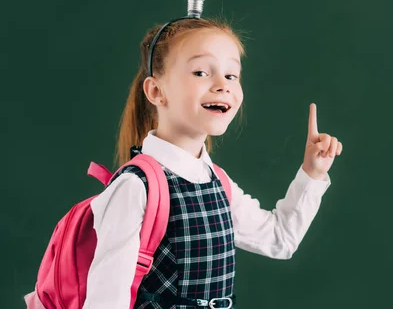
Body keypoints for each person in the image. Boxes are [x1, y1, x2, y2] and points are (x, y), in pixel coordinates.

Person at [82, 17, 343, 308]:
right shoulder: (135, 187)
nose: (223, 86)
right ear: (156, 91)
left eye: (232, 75)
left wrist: (312, 173)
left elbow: (279, 239)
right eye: (201, 72)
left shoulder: (216, 182)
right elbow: (106, 301)